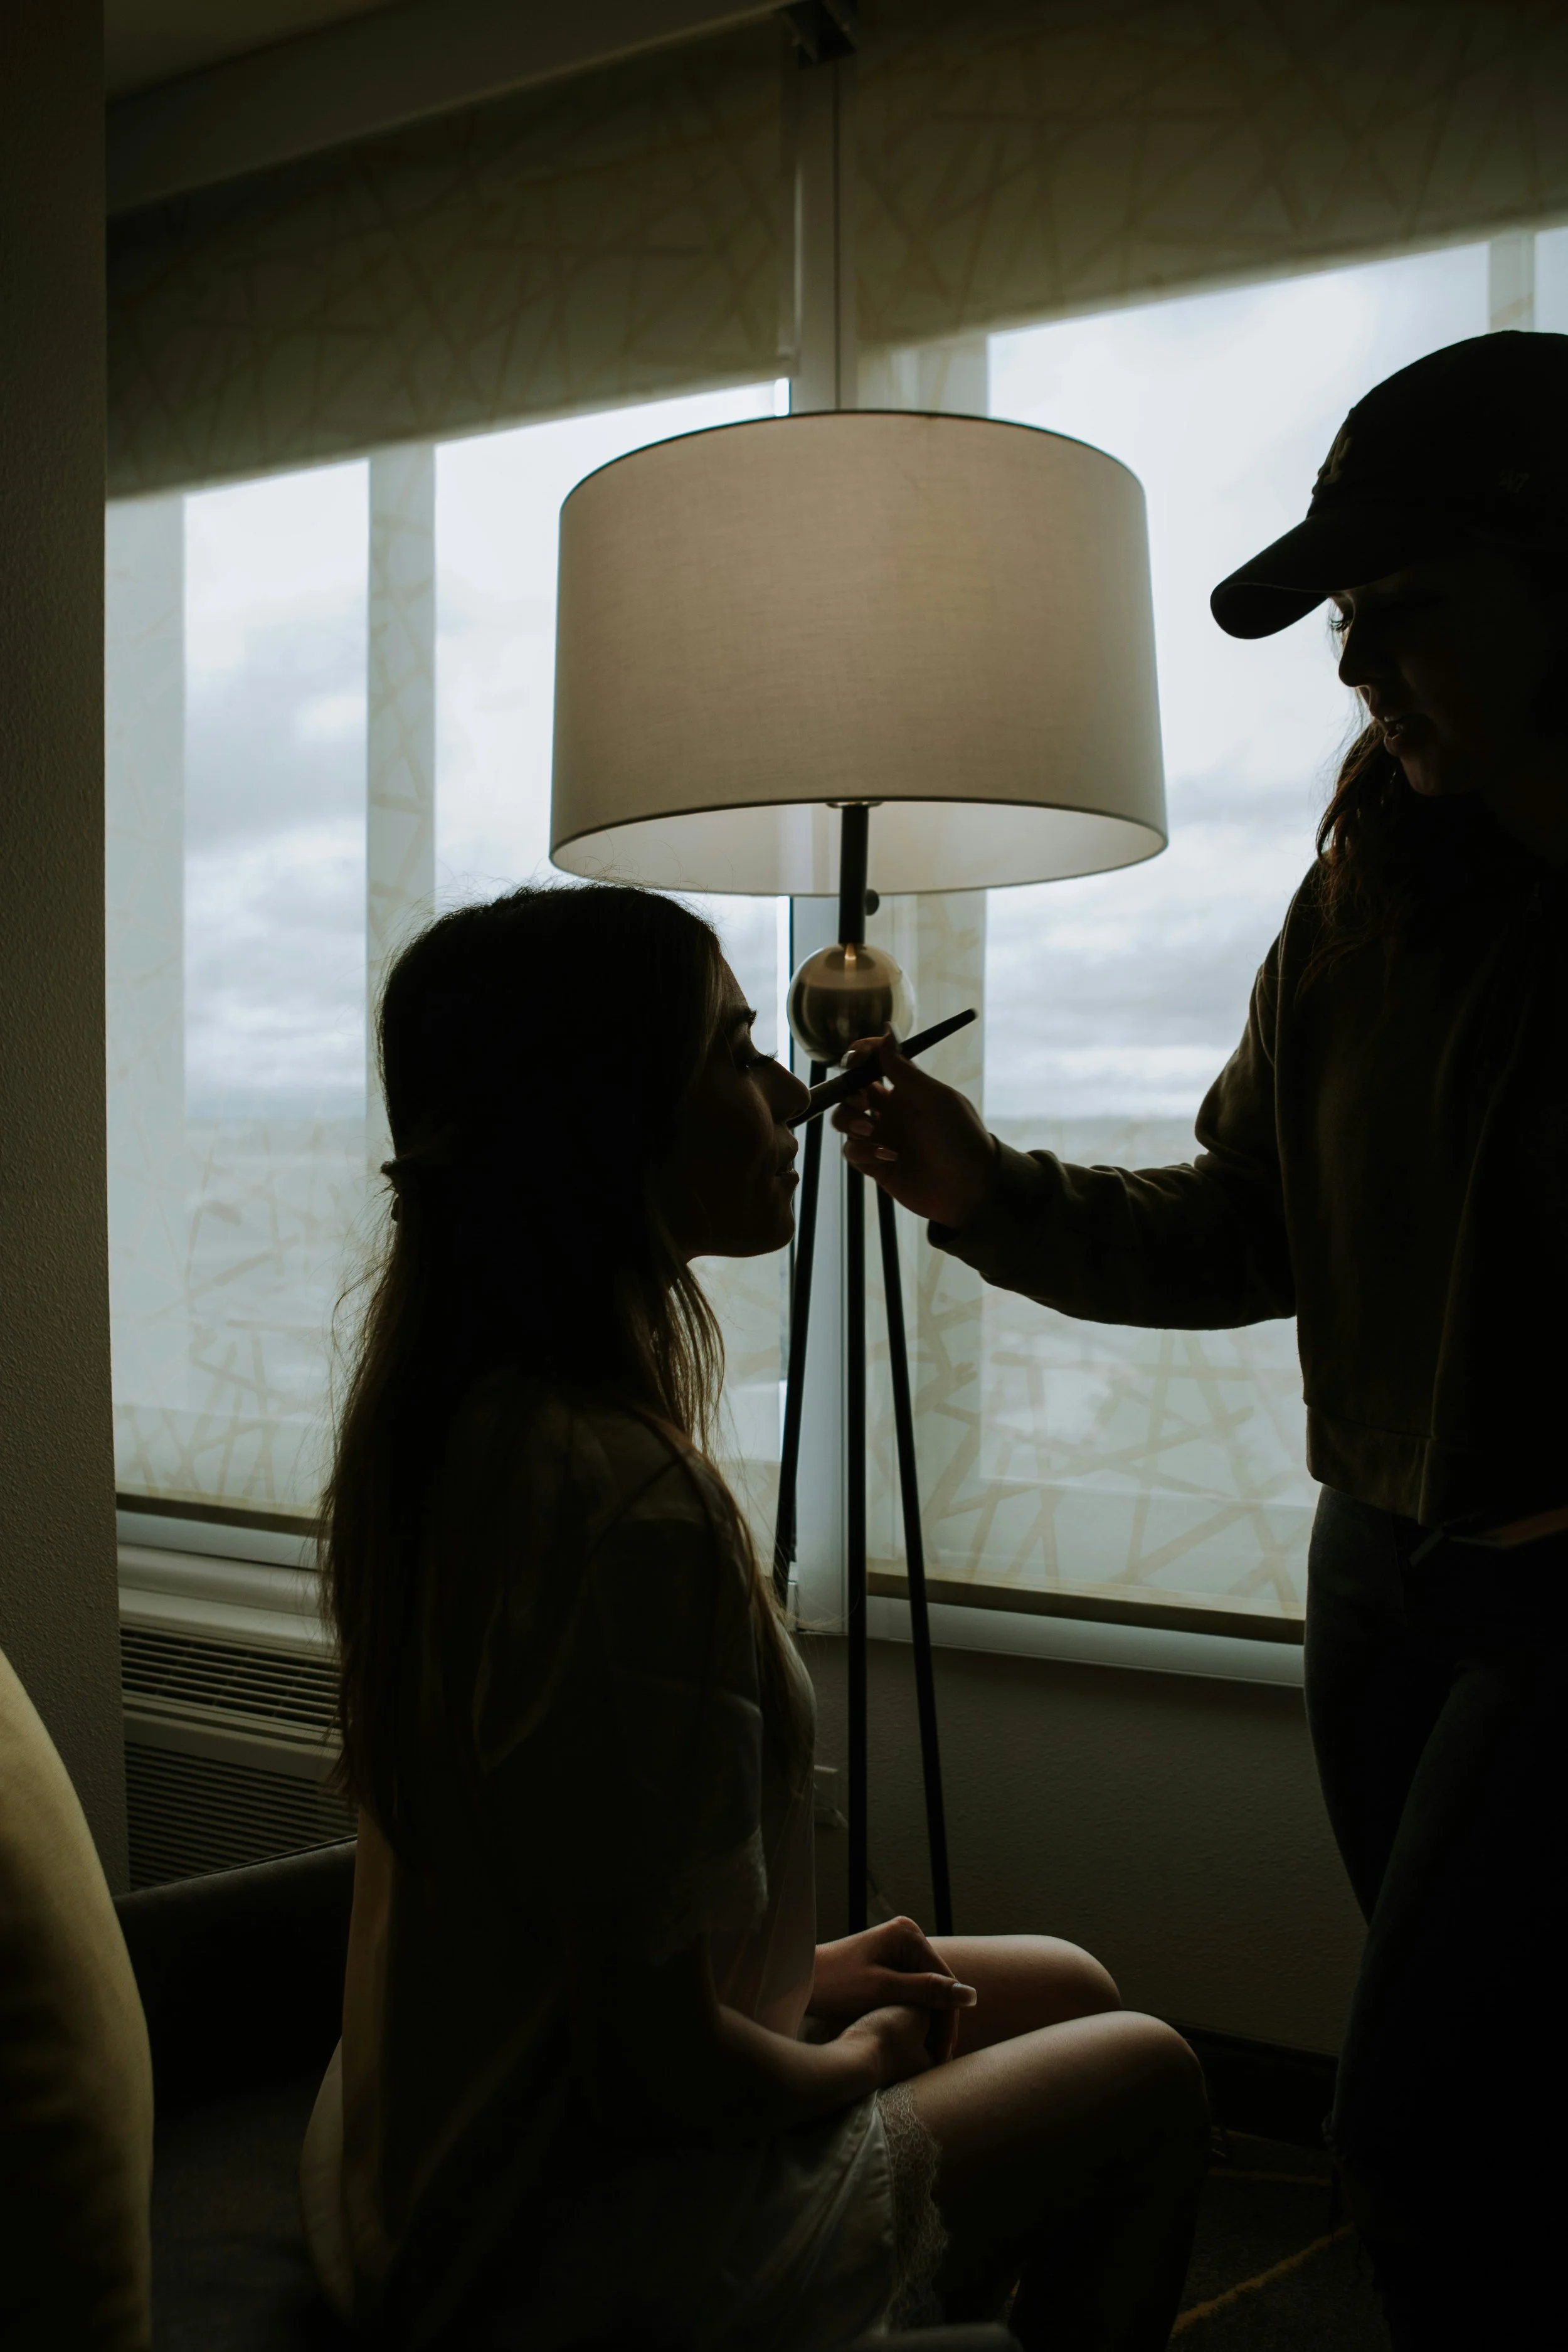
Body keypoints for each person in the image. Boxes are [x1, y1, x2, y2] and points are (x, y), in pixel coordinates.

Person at [835, 329, 1568, 2349]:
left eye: (1406, 609)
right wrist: (991, 1195)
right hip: (1384, 1565)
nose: (1352, 671)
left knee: (1410, 2129)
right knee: (1492, 2106)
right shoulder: (1364, 897)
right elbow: (1248, 1224)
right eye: (1341, 626)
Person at [298, 883, 1208, 2352]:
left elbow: (581, 1922)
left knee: (1062, 1986)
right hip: (562, 2241)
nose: (792, 1088)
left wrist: (810, 1974)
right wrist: (848, 2052)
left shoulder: (462, 1421)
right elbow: (653, 2075)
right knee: (1149, 2074)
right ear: (607, 1123)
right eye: (734, 1051)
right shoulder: (626, 1507)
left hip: (436, 2142)